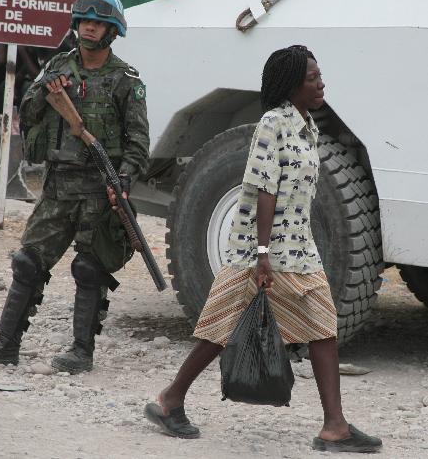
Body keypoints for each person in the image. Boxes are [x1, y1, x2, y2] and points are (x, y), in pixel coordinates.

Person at [142, 45, 382, 453]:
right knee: (220, 329)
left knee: (323, 330)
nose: (321, 83)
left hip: (299, 251)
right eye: (312, 78)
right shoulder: (273, 123)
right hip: (260, 252)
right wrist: (263, 253)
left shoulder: (308, 126)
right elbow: (263, 189)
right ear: (291, 84)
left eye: (320, 75)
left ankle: (335, 426)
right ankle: (169, 400)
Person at [0, 0, 150, 375]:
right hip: (58, 186)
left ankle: (81, 352)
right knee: (28, 262)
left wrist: (124, 178)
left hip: (100, 188)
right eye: (84, 22)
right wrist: (49, 91)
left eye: (98, 23)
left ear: (112, 31)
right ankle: (5, 345)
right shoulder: (58, 67)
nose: (90, 28)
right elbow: (27, 110)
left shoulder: (125, 80)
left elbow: (138, 141)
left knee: (90, 268)